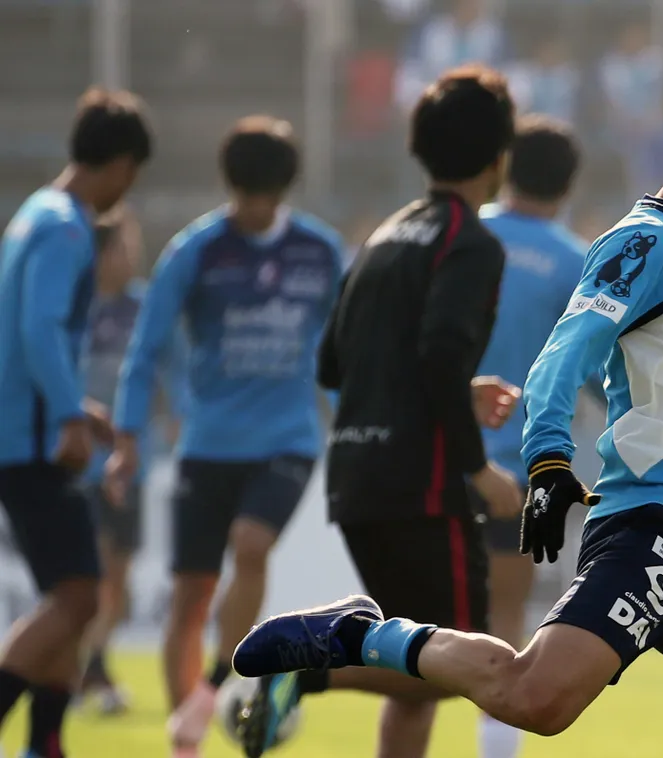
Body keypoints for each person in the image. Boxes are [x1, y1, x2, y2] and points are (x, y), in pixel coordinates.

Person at [234, 65, 663, 758]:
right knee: (536, 698)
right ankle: (356, 635)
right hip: (657, 528)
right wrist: (548, 460)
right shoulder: (644, 241)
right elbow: (562, 356)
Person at [236, 65, 522, 758]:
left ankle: (327, 655)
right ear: (499, 156)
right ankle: (312, 670)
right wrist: (479, 470)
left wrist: (458, 386)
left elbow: (334, 364)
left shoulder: (384, 236)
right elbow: (436, 357)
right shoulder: (471, 241)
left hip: (357, 474)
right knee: (454, 663)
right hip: (420, 482)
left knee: (413, 655)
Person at [105, 115, 345, 758]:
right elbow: (146, 347)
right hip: (207, 443)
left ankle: (214, 690)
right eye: (243, 198)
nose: (251, 212)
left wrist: (352, 426)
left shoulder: (320, 253)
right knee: (188, 595)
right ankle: (188, 739)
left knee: (251, 544)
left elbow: (346, 348)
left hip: (287, 440)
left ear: (283, 191)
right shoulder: (195, 250)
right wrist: (127, 436)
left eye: (261, 200)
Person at [0, 87, 152, 758]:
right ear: (120, 163)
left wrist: (74, 406)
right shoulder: (67, 228)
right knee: (81, 597)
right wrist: (65, 413)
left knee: (69, 594)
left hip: (22, 424)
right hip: (30, 437)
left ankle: (46, 744)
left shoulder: (34, 213)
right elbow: (38, 326)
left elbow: (30, 333)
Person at [474, 114, 592, 758]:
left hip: (436, 456)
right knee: (503, 621)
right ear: (569, 182)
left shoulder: (460, 233)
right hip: (520, 469)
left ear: (504, 165)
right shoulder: (574, 259)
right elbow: (596, 368)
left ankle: (318, 669)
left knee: (415, 617)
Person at [77, 212, 189, 715]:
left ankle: (90, 669)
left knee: (117, 583)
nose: (132, 254)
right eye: (124, 245)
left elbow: (173, 364)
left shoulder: (147, 303)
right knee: (92, 574)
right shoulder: (72, 305)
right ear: (99, 253)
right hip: (82, 465)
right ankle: (76, 672)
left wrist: (178, 414)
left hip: (132, 462)